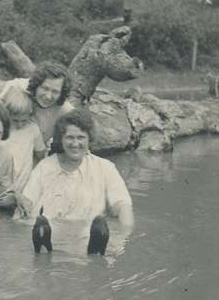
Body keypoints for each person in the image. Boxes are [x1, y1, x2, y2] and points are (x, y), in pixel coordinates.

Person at [15, 108, 134, 252]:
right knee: (41, 228)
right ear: (61, 139)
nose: (75, 143)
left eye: (81, 137)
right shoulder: (45, 166)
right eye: (70, 137)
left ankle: (95, 251)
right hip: (51, 230)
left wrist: (123, 236)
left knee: (95, 233)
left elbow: (123, 206)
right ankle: (42, 247)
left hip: (86, 232)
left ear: (89, 139)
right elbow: (26, 203)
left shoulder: (105, 168)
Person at [0, 60, 74, 148]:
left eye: (55, 91)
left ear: (61, 93)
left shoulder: (66, 110)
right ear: (36, 85)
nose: (48, 96)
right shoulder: (15, 87)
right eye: (45, 88)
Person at [0, 86, 46, 192]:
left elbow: (40, 154)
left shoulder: (33, 129)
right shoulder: (1, 128)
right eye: (15, 120)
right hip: (2, 177)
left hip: (23, 180)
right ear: (7, 114)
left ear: (30, 115)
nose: (20, 124)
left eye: (24, 120)